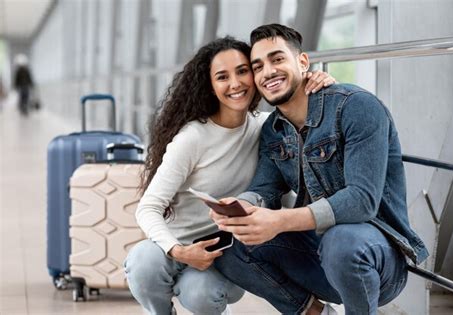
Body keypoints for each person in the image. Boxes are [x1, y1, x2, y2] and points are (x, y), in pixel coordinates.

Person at [210, 24, 429, 315]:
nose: (268, 72)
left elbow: (362, 201)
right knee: (229, 246)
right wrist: (243, 204)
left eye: (277, 59)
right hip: (318, 256)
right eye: (258, 66)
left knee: (343, 242)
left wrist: (280, 221)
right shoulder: (273, 130)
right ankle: (315, 312)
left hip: (376, 258)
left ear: (302, 62)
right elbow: (266, 189)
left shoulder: (356, 106)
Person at [124, 36, 336, 315]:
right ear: (210, 86)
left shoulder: (266, 127)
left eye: (242, 71)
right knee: (142, 263)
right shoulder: (193, 138)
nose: (235, 84)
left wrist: (318, 83)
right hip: (176, 246)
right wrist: (178, 250)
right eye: (222, 77)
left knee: (202, 294)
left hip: (224, 254)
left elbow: (300, 111)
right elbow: (148, 207)